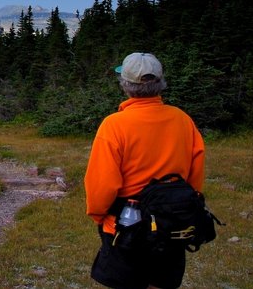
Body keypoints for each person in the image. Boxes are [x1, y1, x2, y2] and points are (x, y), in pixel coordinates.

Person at [84, 52, 205, 289]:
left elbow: (102, 184)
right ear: (160, 83)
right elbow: (195, 177)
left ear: (125, 85)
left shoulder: (114, 125)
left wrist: (99, 216)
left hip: (126, 226)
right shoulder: (182, 120)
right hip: (172, 223)